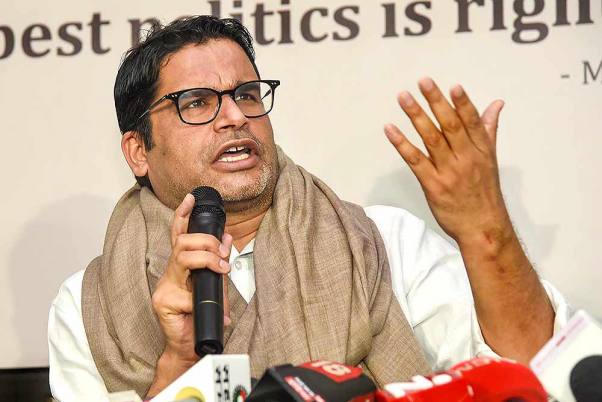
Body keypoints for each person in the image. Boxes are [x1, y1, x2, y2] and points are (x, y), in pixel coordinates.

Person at [48, 15, 571, 400]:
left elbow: (536, 371)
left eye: (247, 94)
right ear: (138, 150)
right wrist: (179, 361)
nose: (235, 116)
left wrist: (486, 232)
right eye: (198, 102)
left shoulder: (382, 243)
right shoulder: (88, 306)